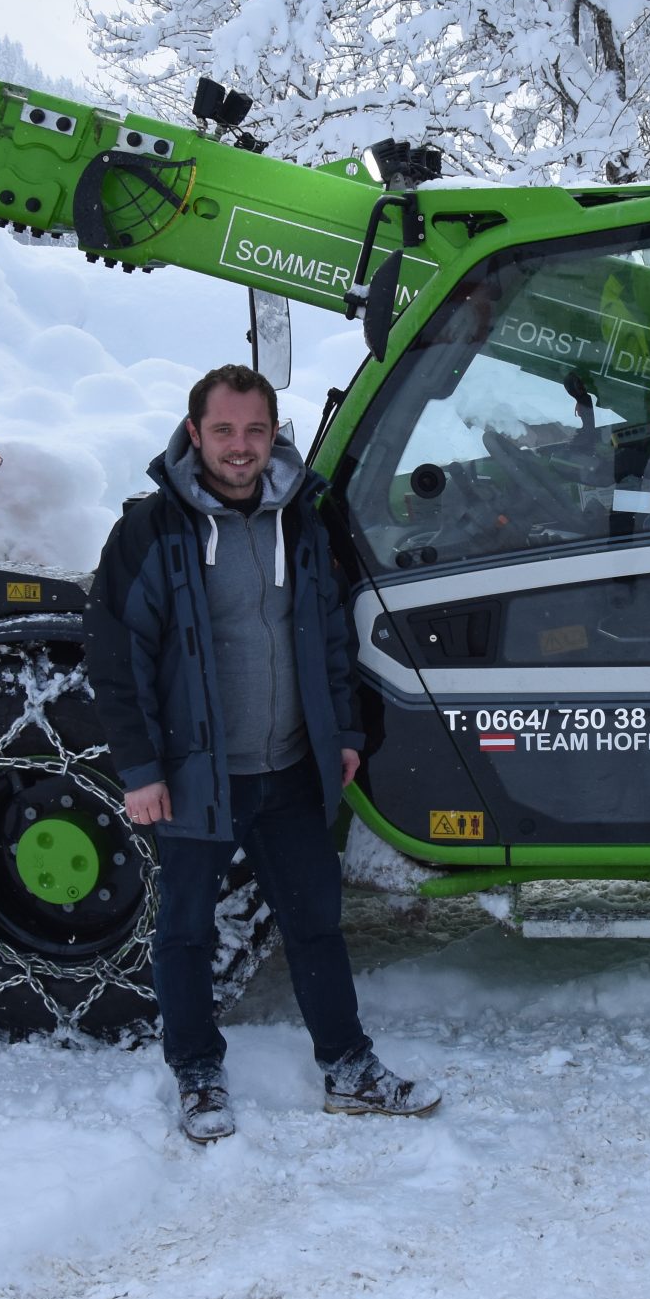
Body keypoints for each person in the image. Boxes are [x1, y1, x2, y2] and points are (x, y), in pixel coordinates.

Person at [85, 363, 439, 1143]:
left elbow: (330, 636)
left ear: (272, 433)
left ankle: (348, 1064)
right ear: (193, 434)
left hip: (287, 769)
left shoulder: (305, 522)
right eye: (222, 431)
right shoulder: (150, 531)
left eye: (254, 430)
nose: (239, 447)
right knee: (186, 929)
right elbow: (118, 659)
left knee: (315, 923)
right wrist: (141, 771)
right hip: (192, 776)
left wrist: (342, 733)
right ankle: (198, 1074)